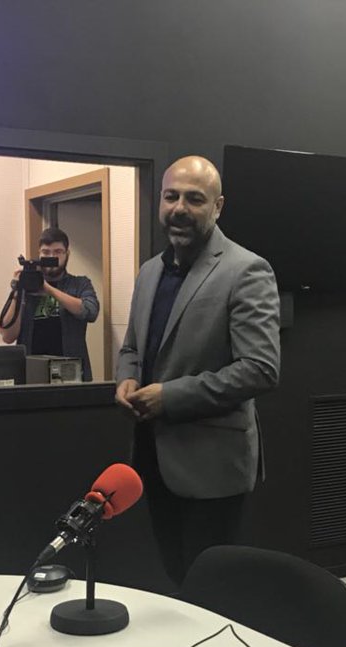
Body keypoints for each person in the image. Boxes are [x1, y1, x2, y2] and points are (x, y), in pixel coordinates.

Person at [114, 156, 281, 587]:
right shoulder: (150, 271)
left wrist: (169, 396)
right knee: (175, 578)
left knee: (213, 588)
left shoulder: (247, 270)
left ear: (218, 206)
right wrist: (126, 378)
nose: (179, 208)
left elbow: (261, 369)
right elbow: (133, 346)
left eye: (194, 198)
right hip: (153, 458)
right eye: (171, 197)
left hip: (213, 468)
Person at [0, 227, 100, 381]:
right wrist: (17, 291)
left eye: (58, 252)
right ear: (39, 254)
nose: (51, 256)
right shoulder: (26, 286)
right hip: (31, 373)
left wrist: (48, 289)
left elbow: (90, 311)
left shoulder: (80, 284)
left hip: (70, 373)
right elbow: (7, 336)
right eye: (46, 252)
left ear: (67, 254)